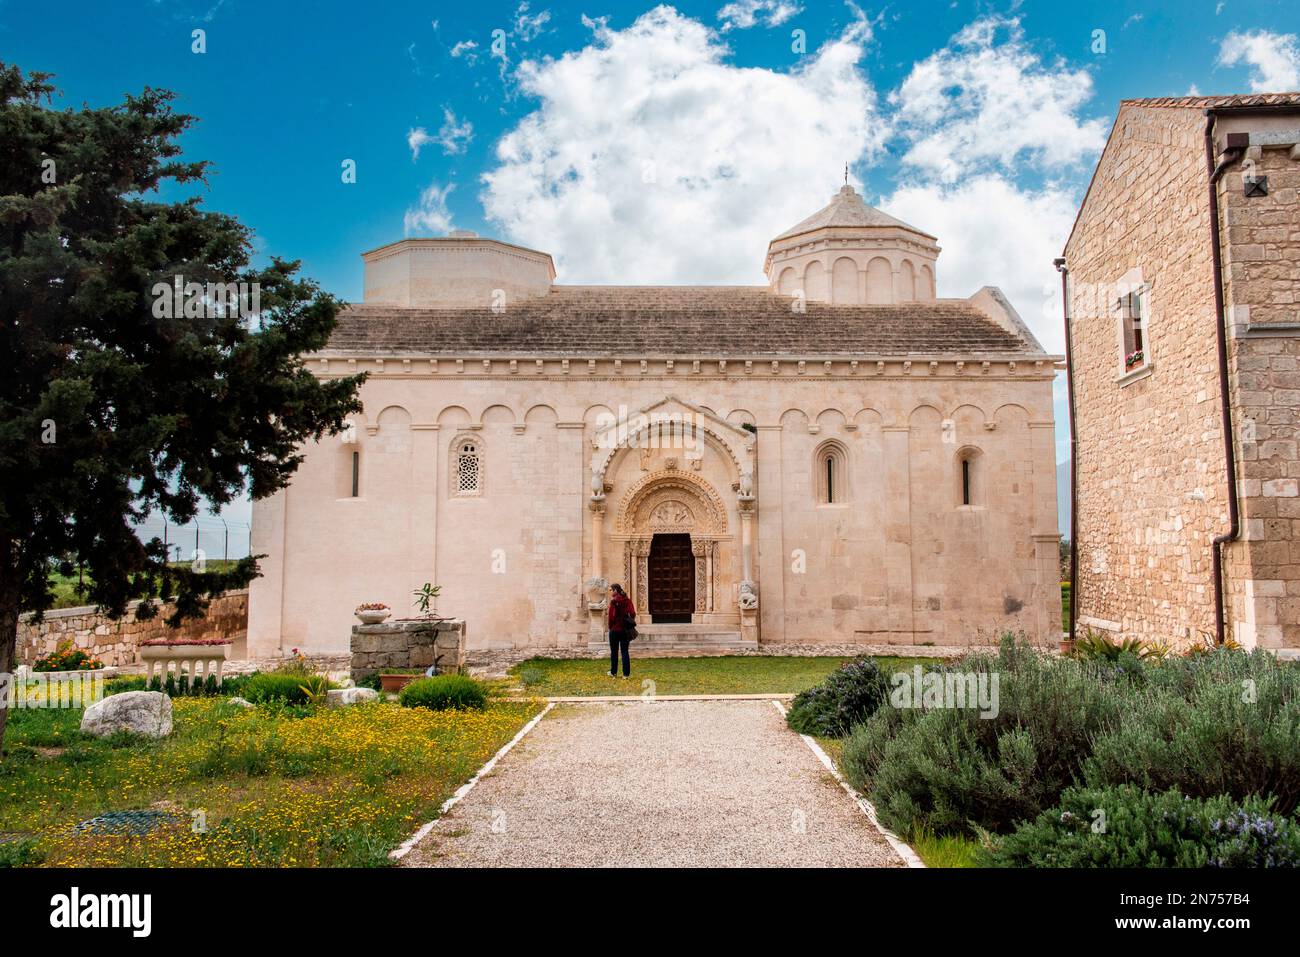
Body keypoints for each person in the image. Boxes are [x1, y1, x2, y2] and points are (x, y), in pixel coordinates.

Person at [607, 583, 636, 678]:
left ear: (615, 590)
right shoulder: (627, 600)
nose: (610, 592)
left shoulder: (614, 602)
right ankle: (626, 674)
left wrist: (611, 627)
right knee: (624, 651)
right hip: (625, 630)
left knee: (614, 652)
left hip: (615, 630)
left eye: (611, 590)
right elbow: (632, 613)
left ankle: (613, 672)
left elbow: (611, 617)